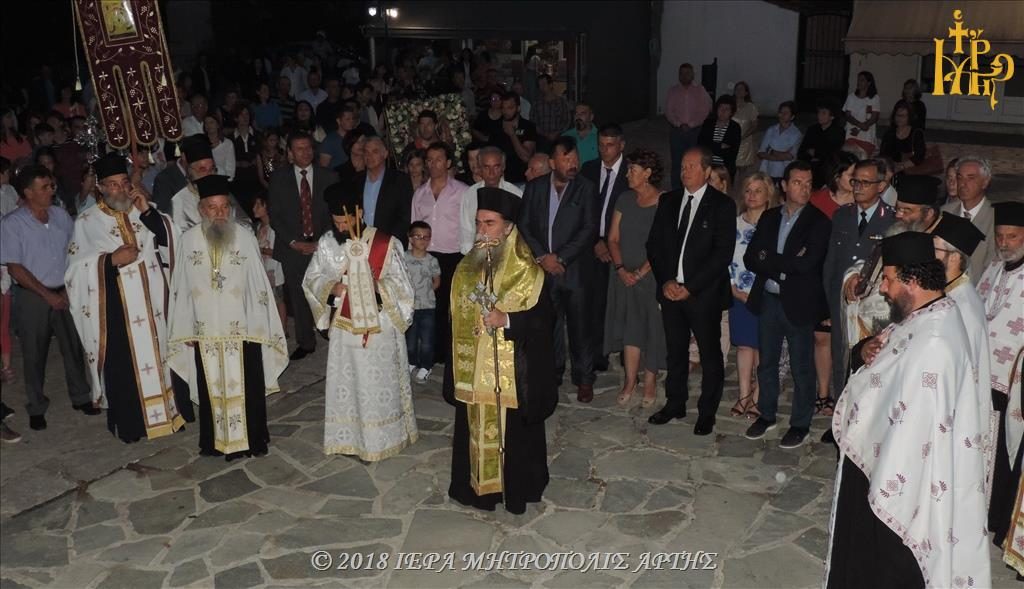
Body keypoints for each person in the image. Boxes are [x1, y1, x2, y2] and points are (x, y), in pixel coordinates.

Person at [826, 231, 991, 589]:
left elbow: (913, 423)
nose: (883, 288)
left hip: (904, 479)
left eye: (888, 279)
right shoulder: (926, 313)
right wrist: (863, 352)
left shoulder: (935, 340)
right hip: (880, 456)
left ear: (911, 280)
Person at [444, 186, 556, 515]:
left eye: (489, 223)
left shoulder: (529, 273)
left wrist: (506, 319)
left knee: (514, 434)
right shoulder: (467, 267)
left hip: (511, 374)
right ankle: (475, 489)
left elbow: (544, 321)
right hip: (475, 371)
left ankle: (515, 490)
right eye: (478, 223)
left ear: (508, 228)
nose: (482, 230)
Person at [65, 152, 186, 442]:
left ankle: (170, 413)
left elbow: (173, 242)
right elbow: (74, 273)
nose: (120, 189)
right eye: (113, 184)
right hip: (117, 309)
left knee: (162, 355)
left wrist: (148, 213)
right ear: (101, 188)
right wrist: (110, 261)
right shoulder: (87, 222)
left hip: (154, 305)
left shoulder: (143, 209)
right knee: (124, 366)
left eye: (124, 182)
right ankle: (133, 425)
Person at [166, 175, 288, 460]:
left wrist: (259, 325)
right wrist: (186, 328)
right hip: (205, 331)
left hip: (242, 330)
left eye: (224, 207)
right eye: (213, 207)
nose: (220, 213)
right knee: (211, 387)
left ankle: (253, 440)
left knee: (248, 386)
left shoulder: (245, 238)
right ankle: (214, 442)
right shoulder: (187, 241)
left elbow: (258, 286)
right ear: (201, 210)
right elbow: (181, 287)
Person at [301, 191, 418, 460]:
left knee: (377, 386)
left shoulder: (386, 243)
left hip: (380, 327)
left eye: (346, 221)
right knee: (349, 383)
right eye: (337, 222)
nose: (341, 227)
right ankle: (349, 437)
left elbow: (404, 287)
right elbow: (311, 278)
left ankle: (385, 438)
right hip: (345, 329)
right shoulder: (328, 242)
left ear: (360, 214)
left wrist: (375, 286)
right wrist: (332, 287)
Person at [645, 147, 736, 434]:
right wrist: (666, 281)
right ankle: (675, 403)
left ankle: (707, 411)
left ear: (707, 171)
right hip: (671, 291)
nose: (685, 171)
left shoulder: (722, 205)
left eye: (692, 166)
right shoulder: (669, 201)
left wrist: (691, 287)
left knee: (710, 354)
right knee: (675, 351)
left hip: (703, 294)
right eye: (683, 166)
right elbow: (654, 245)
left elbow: (722, 254)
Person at [742, 161, 830, 449]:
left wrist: (770, 261)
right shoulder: (769, 217)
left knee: (801, 366)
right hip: (768, 299)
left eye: (808, 184)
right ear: (784, 185)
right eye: (797, 183)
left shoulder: (818, 222)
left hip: (799, 302)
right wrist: (784, 265)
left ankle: (800, 424)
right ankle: (766, 414)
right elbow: (751, 258)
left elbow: (806, 264)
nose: (804, 188)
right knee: (766, 362)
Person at [0, 165, 94, 430]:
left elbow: (75, 251)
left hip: (64, 289)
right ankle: (36, 405)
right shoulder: (12, 224)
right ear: (28, 192)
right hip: (32, 295)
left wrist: (66, 288)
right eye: (44, 187)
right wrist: (47, 294)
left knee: (73, 346)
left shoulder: (61, 216)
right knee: (34, 353)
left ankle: (81, 396)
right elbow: (15, 267)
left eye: (52, 185)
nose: (51, 191)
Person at [518, 137, 599, 402]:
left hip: (574, 271)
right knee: (548, 326)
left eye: (575, 159)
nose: (573, 164)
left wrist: (561, 258)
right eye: (566, 159)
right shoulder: (536, 188)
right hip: (544, 270)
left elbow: (589, 229)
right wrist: (543, 257)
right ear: (552, 163)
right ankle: (552, 373)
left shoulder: (586, 188)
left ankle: (584, 379)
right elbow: (524, 224)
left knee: (580, 328)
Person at [822, 158, 896, 403]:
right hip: (843, 303)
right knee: (841, 356)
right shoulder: (842, 215)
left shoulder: (892, 220)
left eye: (865, 182)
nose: (858, 187)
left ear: (881, 186)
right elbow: (831, 263)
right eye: (855, 182)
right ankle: (841, 408)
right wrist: (830, 303)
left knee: (871, 361)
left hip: (874, 310)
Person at [977, 202, 1024, 554]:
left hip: (1015, 382)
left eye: (1012, 236)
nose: (1004, 243)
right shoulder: (993, 268)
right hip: (984, 375)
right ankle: (981, 513)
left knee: (1008, 453)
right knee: (983, 448)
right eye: (1000, 236)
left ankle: (1001, 521)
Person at [269, 132, 338, 360]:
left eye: (308, 147)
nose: (305, 152)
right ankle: (306, 341)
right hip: (292, 248)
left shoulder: (329, 176)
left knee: (327, 291)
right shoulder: (279, 178)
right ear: (290, 153)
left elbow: (335, 213)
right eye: (299, 148)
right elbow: (275, 215)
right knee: (298, 296)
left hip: (322, 246)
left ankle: (331, 331)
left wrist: (322, 242)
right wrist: (293, 242)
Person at [605, 149, 666, 408]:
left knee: (652, 327)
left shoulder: (664, 202)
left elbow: (664, 245)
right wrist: (621, 269)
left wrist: (641, 272)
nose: (627, 174)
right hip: (623, 274)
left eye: (633, 170)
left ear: (648, 173)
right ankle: (630, 380)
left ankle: (650, 381)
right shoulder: (624, 198)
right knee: (630, 327)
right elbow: (612, 238)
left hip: (651, 276)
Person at [411, 142, 469, 365]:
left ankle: (449, 351)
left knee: (450, 306)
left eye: (438, 159)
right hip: (427, 255)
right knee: (428, 305)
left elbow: (469, 226)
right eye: (430, 160)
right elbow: (414, 226)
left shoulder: (462, 191)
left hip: (453, 255)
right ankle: (431, 351)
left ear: (448, 163)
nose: (433, 164)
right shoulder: (420, 193)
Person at [580, 124, 629, 372]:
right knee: (595, 301)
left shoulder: (631, 173)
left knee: (621, 301)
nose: (604, 150)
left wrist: (612, 243)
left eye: (610, 145)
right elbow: (581, 209)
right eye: (601, 145)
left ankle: (625, 351)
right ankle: (598, 351)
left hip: (620, 245)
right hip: (592, 244)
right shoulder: (589, 170)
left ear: (621, 145)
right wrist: (594, 242)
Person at [728, 172, 776, 418]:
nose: (752, 195)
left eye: (758, 190)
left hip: (766, 295)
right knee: (745, 345)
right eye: (748, 190)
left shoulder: (776, 224)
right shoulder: (734, 223)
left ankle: (759, 397)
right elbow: (724, 258)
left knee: (763, 347)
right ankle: (744, 394)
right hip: (737, 292)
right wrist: (733, 289)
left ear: (768, 194)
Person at [330, 135, 413, 249]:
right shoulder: (356, 181)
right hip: (359, 245)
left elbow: (405, 217)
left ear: (385, 154)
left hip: (389, 245)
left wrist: (386, 242)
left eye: (375, 151)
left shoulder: (400, 181)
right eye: (366, 152)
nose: (369, 156)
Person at [940, 156, 997, 284]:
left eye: (971, 178)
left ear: (985, 182)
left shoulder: (995, 218)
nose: (963, 184)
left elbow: (992, 268)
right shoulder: (945, 212)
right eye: (960, 177)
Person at [459, 146, 523, 255]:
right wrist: (470, 258)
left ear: (503, 167)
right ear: (479, 168)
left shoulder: (516, 194)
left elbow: (521, 231)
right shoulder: (470, 194)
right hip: (478, 254)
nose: (491, 173)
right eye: (486, 167)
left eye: (496, 167)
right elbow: (466, 230)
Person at [665, 63, 712, 191]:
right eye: (682, 73)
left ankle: (693, 187)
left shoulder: (700, 90)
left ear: (693, 75)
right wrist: (679, 124)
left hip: (695, 131)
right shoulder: (673, 91)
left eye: (687, 73)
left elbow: (704, 110)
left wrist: (691, 124)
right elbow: (669, 111)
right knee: (677, 162)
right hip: (677, 131)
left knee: (695, 161)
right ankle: (676, 189)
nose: (684, 76)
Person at [404, 221, 441, 383]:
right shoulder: (403, 258)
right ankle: (411, 362)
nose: (422, 240)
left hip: (427, 307)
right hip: (409, 306)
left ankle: (426, 366)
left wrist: (427, 292)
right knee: (410, 340)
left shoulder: (432, 260)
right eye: (418, 236)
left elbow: (436, 281)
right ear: (410, 238)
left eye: (426, 237)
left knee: (427, 340)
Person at [251, 195, 286, 328]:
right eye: (254, 205)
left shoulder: (274, 227)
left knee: (278, 299)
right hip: (262, 268)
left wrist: (259, 249)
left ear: (267, 207)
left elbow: (278, 251)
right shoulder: (259, 226)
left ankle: (282, 329)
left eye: (258, 205)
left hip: (273, 269)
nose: (254, 208)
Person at [489, 92, 537, 186]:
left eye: (510, 108)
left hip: (520, 178)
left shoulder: (528, 126)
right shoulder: (496, 126)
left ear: (518, 108)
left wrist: (512, 134)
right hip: (499, 179)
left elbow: (526, 157)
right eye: (503, 108)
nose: (506, 111)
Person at [797, 102, 846, 188]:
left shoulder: (838, 132)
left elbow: (833, 153)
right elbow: (802, 151)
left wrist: (816, 153)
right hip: (809, 167)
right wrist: (812, 155)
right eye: (819, 112)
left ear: (832, 116)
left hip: (826, 171)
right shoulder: (812, 130)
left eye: (823, 113)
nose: (819, 115)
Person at [757, 101, 802, 184]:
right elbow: (761, 153)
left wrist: (771, 151)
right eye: (781, 112)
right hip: (767, 171)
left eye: (786, 113)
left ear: (792, 117)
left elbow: (790, 156)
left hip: (784, 173)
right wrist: (782, 155)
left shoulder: (796, 134)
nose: (782, 115)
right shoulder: (771, 130)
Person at [698, 95, 741, 179]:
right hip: (707, 166)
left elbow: (732, 153)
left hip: (725, 168)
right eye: (720, 107)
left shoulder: (735, 127)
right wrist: (720, 146)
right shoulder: (708, 124)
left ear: (731, 112)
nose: (723, 111)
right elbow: (701, 145)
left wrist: (712, 146)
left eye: (727, 109)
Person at [879, 101, 926, 174]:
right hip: (892, 170)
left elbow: (919, 156)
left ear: (909, 117)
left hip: (911, 171)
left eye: (903, 116)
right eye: (897, 115)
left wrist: (902, 166)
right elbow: (883, 154)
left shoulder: (916, 133)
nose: (899, 118)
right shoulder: (889, 134)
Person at [809, 151, 858, 220]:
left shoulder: (866, 200)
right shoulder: (816, 201)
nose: (857, 178)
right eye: (852, 174)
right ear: (836, 177)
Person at [842, 71, 881, 155]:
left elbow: (874, 117)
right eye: (858, 80)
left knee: (863, 159)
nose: (859, 82)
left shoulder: (874, 98)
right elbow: (848, 115)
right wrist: (859, 125)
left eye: (862, 80)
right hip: (852, 134)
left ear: (869, 83)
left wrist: (861, 127)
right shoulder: (851, 97)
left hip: (867, 137)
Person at [532, 74, 572, 148]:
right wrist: (545, 134)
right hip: (542, 139)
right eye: (539, 85)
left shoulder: (562, 102)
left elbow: (567, 121)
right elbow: (533, 122)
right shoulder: (536, 103)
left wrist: (557, 133)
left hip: (560, 138)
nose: (541, 87)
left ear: (551, 85)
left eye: (543, 84)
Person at [732, 81, 759, 182]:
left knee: (742, 170)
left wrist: (743, 136)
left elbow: (754, 125)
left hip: (744, 142)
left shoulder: (750, 107)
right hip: (731, 141)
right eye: (737, 89)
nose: (739, 91)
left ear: (746, 93)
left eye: (741, 89)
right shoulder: (730, 105)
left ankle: (740, 188)